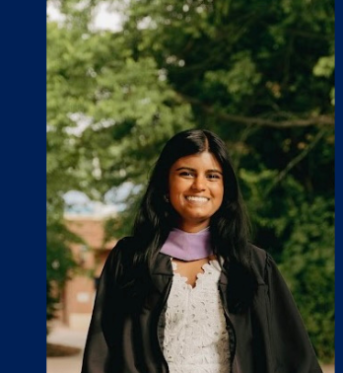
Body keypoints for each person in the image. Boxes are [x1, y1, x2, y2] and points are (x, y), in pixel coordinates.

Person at [82, 129, 321, 373]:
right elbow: (101, 356)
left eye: (212, 176)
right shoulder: (131, 260)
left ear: (225, 188)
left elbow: (296, 359)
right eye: (186, 173)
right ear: (165, 184)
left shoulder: (253, 265)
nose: (199, 185)